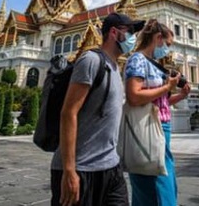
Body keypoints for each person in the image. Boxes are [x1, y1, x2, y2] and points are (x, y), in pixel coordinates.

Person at [52, 12, 145, 206]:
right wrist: (69, 170)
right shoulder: (91, 60)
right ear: (114, 33)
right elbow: (68, 113)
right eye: (130, 32)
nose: (133, 38)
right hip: (82, 168)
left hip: (111, 166)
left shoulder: (116, 68)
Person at [123, 18, 192, 206]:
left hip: (160, 127)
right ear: (158, 38)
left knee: (165, 183)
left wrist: (181, 95)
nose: (168, 49)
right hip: (147, 128)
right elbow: (134, 96)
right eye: (167, 44)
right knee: (155, 186)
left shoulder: (153, 63)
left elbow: (160, 102)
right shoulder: (137, 60)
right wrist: (167, 87)